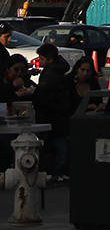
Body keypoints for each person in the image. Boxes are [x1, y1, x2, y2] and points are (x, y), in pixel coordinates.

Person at [33, 42, 74, 181]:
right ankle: (59, 172)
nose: (39, 61)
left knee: (52, 146)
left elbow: (43, 95)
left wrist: (34, 93)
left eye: (41, 59)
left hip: (51, 116)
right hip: (59, 116)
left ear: (49, 59)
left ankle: (54, 172)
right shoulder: (59, 70)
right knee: (60, 145)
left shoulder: (50, 73)